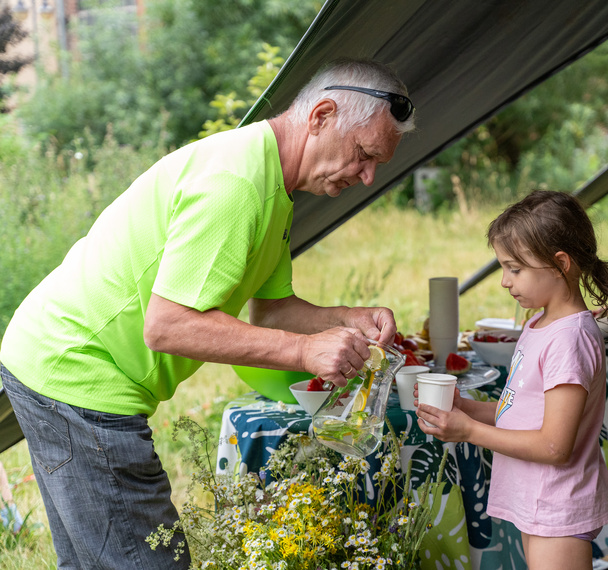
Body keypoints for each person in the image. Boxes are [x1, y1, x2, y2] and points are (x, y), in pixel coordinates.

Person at [0, 57, 415, 569]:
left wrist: (347, 316)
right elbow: (168, 326)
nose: (368, 177)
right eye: (363, 154)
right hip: (75, 371)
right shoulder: (237, 185)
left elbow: (272, 309)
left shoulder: (274, 184)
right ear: (322, 115)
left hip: (55, 359)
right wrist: (308, 350)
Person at [416, 190, 608, 570]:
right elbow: (522, 411)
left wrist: (468, 432)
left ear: (560, 264)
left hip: (558, 504)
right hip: (541, 501)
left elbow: (554, 446)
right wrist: (468, 409)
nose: (503, 281)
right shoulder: (540, 323)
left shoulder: (568, 340)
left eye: (515, 268)